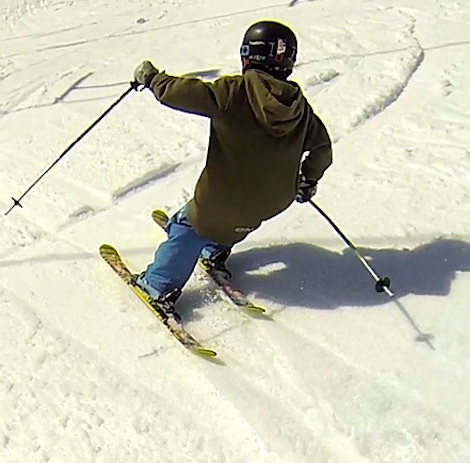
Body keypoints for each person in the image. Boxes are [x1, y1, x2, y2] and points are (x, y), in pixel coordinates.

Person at [129, 20, 333, 317]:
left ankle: (159, 285)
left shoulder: (234, 92)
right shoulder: (299, 107)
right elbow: (323, 149)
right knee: (240, 215)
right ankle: (215, 249)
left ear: (247, 55)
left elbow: (182, 92)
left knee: (192, 226)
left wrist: (152, 79)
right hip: (272, 202)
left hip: (223, 202)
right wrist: (308, 180)